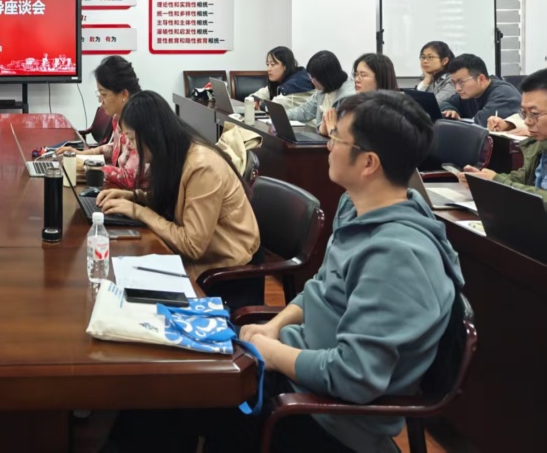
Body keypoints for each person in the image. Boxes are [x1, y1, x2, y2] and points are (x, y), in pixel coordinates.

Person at [183, 91, 463, 453]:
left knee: (175, 402)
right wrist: (273, 328)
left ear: (369, 163)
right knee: (180, 371)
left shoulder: (398, 255)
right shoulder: (355, 207)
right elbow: (321, 287)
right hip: (297, 370)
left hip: (322, 416)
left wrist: (271, 352)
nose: (328, 144)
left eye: (336, 138)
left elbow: (354, 376)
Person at [96, 91, 260, 290]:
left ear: (152, 134)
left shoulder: (203, 167)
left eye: (131, 138)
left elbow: (192, 245)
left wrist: (138, 211)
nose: (129, 146)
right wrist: (134, 197)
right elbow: (174, 198)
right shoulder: (175, 152)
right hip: (201, 260)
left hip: (226, 272)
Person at [56, 56, 144, 190]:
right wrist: (81, 154)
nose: (100, 101)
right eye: (99, 94)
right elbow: (116, 148)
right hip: (118, 189)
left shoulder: (140, 122)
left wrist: (87, 166)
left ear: (124, 94)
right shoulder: (118, 117)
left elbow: (130, 178)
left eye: (104, 95)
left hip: (136, 196)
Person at [463, 69, 547, 204]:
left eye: (534, 114)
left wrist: (498, 182)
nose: (527, 121)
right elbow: (523, 178)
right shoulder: (539, 143)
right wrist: (485, 179)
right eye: (524, 113)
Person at [283, 50, 357, 133]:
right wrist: (282, 115)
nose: (312, 81)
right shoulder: (323, 89)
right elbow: (305, 111)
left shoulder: (348, 97)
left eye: (314, 77)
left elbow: (342, 131)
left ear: (325, 77)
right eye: (310, 76)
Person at [441, 53, 521, 126]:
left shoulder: (504, 95)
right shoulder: (469, 93)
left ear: (481, 79)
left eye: (461, 82)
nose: (457, 88)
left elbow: (481, 122)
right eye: (454, 83)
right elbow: (445, 103)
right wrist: (450, 110)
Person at [249, 46, 315, 108]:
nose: (268, 69)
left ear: (285, 66)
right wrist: (254, 99)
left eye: (272, 64)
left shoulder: (297, 83)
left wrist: (260, 104)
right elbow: (258, 95)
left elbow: (277, 106)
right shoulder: (280, 80)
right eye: (268, 64)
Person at [415, 40, 457, 108]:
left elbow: (435, 104)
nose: (425, 61)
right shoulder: (429, 78)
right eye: (423, 57)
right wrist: (426, 80)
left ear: (444, 61)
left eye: (430, 57)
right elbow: (412, 101)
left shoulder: (452, 80)